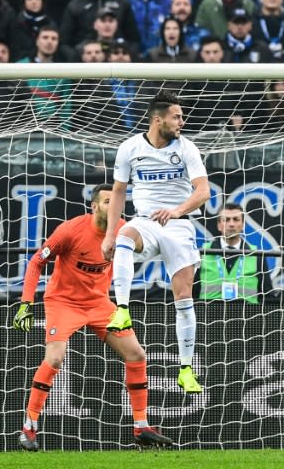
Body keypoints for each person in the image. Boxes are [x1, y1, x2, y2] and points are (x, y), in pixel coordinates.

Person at [12, 184, 172, 451]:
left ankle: (141, 425)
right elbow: (37, 261)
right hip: (63, 302)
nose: (114, 206)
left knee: (137, 355)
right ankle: (29, 427)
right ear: (94, 206)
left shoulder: (124, 229)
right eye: (108, 201)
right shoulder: (71, 230)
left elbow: (150, 247)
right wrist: (25, 303)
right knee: (54, 358)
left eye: (117, 201)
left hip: (99, 303)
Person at [101, 91, 211, 394]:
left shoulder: (187, 148)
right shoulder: (129, 148)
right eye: (176, 116)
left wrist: (176, 210)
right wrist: (110, 233)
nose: (181, 121)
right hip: (146, 222)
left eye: (182, 115)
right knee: (124, 238)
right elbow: (119, 191)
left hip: (178, 226)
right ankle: (121, 308)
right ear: (157, 118)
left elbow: (203, 192)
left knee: (184, 296)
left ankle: (186, 370)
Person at [197, 203, 274, 304]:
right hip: (209, 315)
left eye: (236, 219)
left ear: (243, 224)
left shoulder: (256, 254)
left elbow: (267, 296)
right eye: (226, 220)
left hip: (248, 316)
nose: (231, 224)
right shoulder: (202, 253)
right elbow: (192, 292)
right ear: (219, 225)